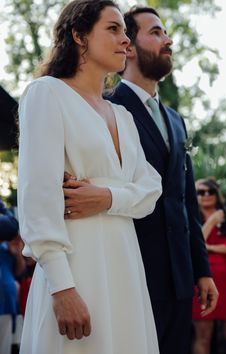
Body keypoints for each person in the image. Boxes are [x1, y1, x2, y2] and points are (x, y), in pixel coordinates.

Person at [63, 5, 219, 354]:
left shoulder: (176, 120)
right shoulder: (102, 109)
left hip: (179, 279)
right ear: (128, 47)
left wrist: (201, 269)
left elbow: (185, 200)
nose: (168, 41)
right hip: (125, 270)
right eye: (156, 32)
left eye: (165, 33)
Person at [17, 1, 162, 354]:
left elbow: (151, 190)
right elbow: (38, 198)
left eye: (126, 32)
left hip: (125, 266)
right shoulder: (47, 93)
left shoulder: (123, 116)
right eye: (113, 29)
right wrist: (62, 287)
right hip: (77, 266)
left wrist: (107, 198)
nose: (125, 40)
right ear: (79, 36)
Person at [192, 178, 226, 354]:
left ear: (218, 194)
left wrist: (208, 247)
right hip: (202, 281)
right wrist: (210, 223)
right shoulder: (191, 216)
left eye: (210, 191)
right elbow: (193, 244)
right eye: (201, 192)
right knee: (203, 335)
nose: (206, 195)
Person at [0, 234, 25, 354]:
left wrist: (18, 254)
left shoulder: (8, 247)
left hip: (8, 303)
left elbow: (19, 272)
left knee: (5, 346)